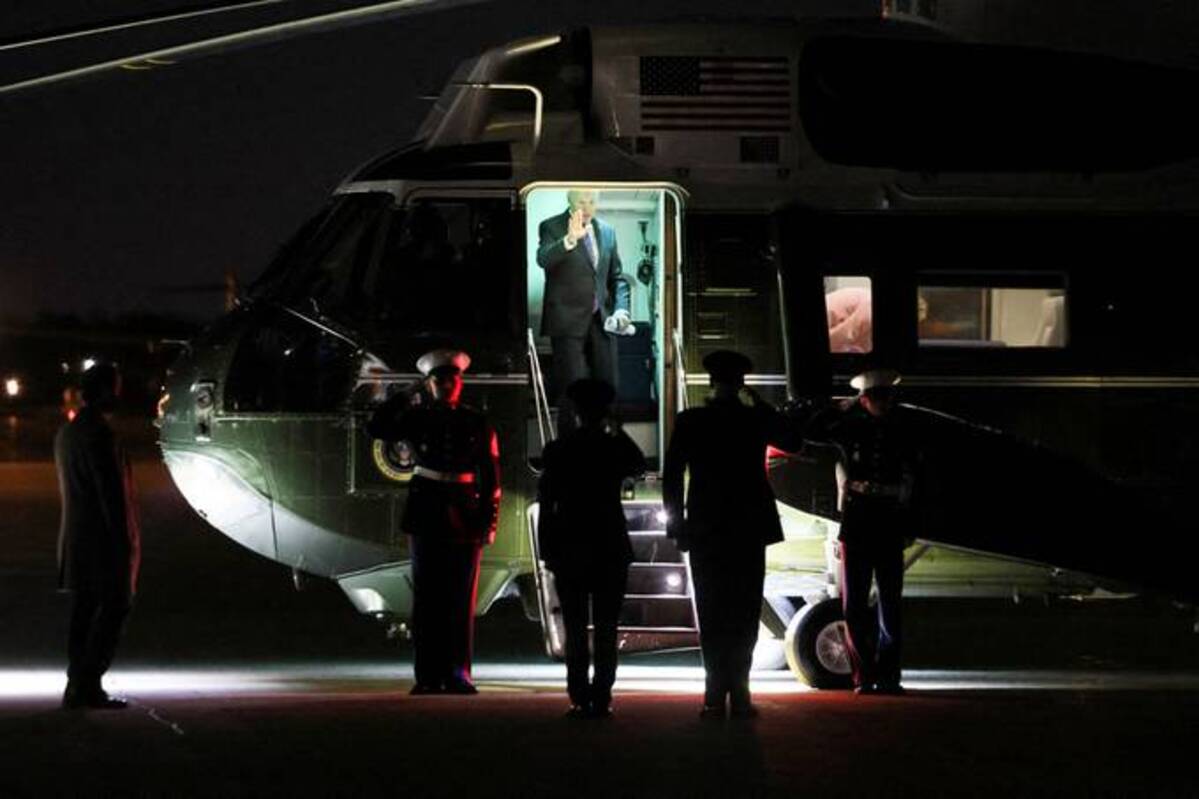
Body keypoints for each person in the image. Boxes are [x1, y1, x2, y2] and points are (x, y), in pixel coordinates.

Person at [662, 350, 798, 719]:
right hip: (748, 528)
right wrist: (761, 404)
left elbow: (672, 476)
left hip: (706, 527)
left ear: (710, 381)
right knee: (744, 612)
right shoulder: (754, 419)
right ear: (742, 383)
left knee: (712, 612)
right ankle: (740, 692)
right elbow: (794, 440)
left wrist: (677, 525)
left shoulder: (691, 420)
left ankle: (713, 693)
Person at [367, 349, 501, 695]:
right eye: (439, 380)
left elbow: (491, 477)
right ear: (429, 384)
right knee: (427, 599)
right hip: (427, 511)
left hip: (464, 513)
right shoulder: (416, 417)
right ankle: (427, 675)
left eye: (452, 379)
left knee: (460, 599)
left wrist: (489, 522)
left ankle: (458, 673)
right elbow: (376, 428)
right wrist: (403, 396)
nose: (446, 385)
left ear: (460, 382)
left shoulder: (476, 421)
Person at [802, 368, 919, 695]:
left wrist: (909, 522)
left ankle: (889, 676)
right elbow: (812, 431)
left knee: (890, 603)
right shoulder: (849, 427)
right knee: (854, 603)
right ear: (864, 399)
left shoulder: (902, 428)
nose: (883, 403)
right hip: (859, 520)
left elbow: (914, 475)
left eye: (887, 397)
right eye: (876, 397)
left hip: (889, 519)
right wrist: (839, 407)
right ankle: (864, 675)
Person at [537, 378, 645, 719]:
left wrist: (546, 549)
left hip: (569, 545)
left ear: (576, 411)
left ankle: (578, 696)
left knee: (575, 626)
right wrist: (618, 429)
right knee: (606, 627)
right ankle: (602, 696)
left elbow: (547, 504)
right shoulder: (613, 447)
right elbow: (638, 464)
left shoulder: (558, 450)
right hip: (609, 545)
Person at [55, 361, 141, 710]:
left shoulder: (67, 433)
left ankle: (76, 683)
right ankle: (89, 684)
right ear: (105, 391)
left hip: (76, 539)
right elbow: (112, 497)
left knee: (84, 612)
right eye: (115, 388)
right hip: (102, 544)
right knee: (114, 608)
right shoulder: (100, 435)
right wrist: (125, 545)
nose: (119, 395)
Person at [536, 189, 632, 433]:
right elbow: (543, 259)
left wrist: (622, 310)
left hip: (602, 322)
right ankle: (570, 450)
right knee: (572, 391)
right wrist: (569, 240)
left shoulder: (608, 231)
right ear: (570, 200)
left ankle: (610, 447)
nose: (587, 207)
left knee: (609, 389)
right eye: (582, 201)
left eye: (592, 201)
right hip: (567, 323)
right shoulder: (551, 226)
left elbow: (617, 278)